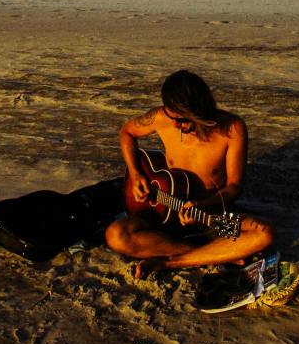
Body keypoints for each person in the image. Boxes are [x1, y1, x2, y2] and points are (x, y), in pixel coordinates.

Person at [105, 70, 275, 278]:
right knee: (116, 235)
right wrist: (136, 173)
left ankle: (171, 262)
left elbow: (234, 186)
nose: (177, 125)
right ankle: (215, 253)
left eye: (184, 119)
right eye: (172, 117)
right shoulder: (161, 117)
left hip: (210, 214)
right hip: (162, 209)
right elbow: (127, 132)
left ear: (199, 111)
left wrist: (204, 205)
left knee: (263, 234)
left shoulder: (232, 128)